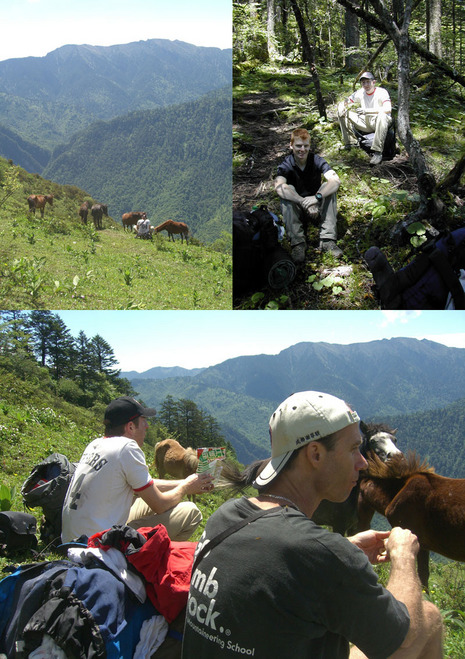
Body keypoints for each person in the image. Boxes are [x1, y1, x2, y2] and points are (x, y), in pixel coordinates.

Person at [182, 391, 443, 658]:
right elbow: (404, 636)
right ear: (315, 454)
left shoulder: (225, 516)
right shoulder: (322, 556)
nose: (362, 462)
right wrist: (403, 556)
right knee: (430, 617)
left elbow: (271, 567)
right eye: (354, 449)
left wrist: (342, 549)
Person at [61, 396, 213, 543]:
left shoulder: (95, 444)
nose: (147, 426)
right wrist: (186, 487)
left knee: (142, 495)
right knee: (191, 512)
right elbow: (160, 505)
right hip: (99, 543)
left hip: (72, 538)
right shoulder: (127, 448)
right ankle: (142, 561)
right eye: (143, 420)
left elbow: (145, 483)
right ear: (131, 427)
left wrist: (185, 481)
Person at [274, 128, 342, 263]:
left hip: (317, 209)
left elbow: (336, 181)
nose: (302, 150)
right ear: (291, 145)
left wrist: (316, 198)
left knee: (327, 187)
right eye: (298, 146)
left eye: (306, 146)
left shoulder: (317, 160)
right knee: (287, 191)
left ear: (310, 146)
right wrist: (302, 201)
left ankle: (327, 240)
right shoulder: (286, 164)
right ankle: (298, 243)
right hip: (298, 209)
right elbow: (279, 186)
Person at [338, 71, 392, 165]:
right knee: (343, 113)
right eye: (363, 82)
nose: (366, 85)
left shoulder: (382, 92)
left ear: (374, 82)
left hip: (379, 122)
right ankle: (350, 143)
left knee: (382, 116)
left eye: (368, 82)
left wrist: (367, 111)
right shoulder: (360, 93)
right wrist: (341, 105)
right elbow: (348, 100)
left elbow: (388, 109)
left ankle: (377, 152)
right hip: (366, 122)